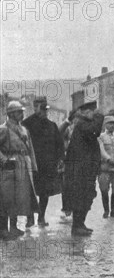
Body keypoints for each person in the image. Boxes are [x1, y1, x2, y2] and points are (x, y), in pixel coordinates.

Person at [22, 97, 64, 227]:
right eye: (41, 108)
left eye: (46, 109)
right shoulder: (26, 124)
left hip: (48, 165)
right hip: (31, 165)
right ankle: (30, 218)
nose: (44, 111)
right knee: (30, 192)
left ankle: (41, 217)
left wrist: (60, 159)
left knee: (44, 193)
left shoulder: (52, 125)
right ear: (34, 108)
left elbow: (59, 144)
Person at [63, 102, 104, 236]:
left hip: (86, 169)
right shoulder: (82, 124)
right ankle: (76, 226)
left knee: (87, 196)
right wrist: (100, 116)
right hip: (81, 170)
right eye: (93, 112)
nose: (94, 114)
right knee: (80, 197)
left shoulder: (83, 124)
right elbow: (96, 131)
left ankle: (81, 224)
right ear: (87, 112)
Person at [0, 101, 39, 240]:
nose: (21, 114)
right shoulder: (3, 129)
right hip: (9, 167)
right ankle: (3, 229)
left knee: (21, 197)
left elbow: (31, 150)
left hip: (24, 164)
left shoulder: (24, 130)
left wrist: (33, 167)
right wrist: (4, 160)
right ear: (11, 114)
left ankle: (15, 227)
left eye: (22, 112)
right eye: (18, 112)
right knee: (6, 197)